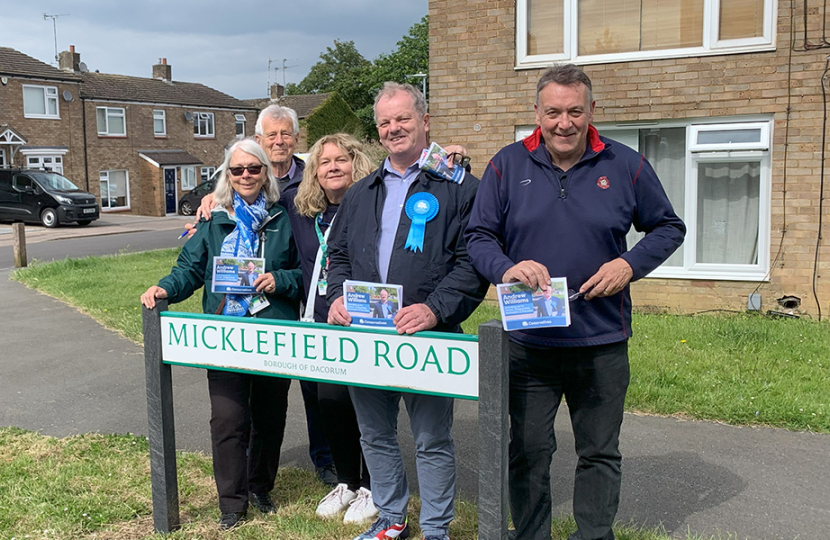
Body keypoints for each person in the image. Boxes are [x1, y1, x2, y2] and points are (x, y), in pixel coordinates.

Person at [465, 64, 686, 540]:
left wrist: (629, 265)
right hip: (528, 343)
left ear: (591, 112)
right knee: (528, 451)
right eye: (553, 112)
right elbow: (478, 236)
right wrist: (507, 268)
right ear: (537, 114)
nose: (564, 123)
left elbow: (668, 227)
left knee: (600, 452)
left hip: (601, 340)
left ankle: (593, 535)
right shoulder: (507, 165)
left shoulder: (626, 165)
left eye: (574, 112)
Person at [326, 82, 489, 540]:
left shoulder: (460, 188)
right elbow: (338, 254)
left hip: (426, 337)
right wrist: (338, 296)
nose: (394, 129)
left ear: (425, 121)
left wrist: (434, 311)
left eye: (403, 119)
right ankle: (390, 518)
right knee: (374, 435)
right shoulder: (361, 192)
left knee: (431, 440)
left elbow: (472, 263)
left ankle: (436, 529)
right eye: (384, 122)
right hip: (366, 335)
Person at [141, 138, 302, 530]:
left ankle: (261, 486)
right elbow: (190, 268)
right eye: (237, 169)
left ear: (266, 172)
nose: (246, 175)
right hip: (225, 332)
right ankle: (232, 503)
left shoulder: (286, 218)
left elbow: (307, 274)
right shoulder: (213, 220)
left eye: (254, 168)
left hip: (272, 333)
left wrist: (278, 279)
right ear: (227, 175)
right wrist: (164, 288)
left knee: (270, 415)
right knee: (227, 419)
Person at [193, 104, 338, 487]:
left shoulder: (312, 178)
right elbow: (192, 263)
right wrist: (212, 199)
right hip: (233, 321)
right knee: (233, 413)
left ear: (295, 138)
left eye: (285, 133)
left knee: (309, 393)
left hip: (293, 312)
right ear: (259, 140)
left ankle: (324, 464)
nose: (279, 141)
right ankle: (237, 484)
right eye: (271, 135)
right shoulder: (227, 200)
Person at [287, 133, 380, 524]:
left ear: (356, 162)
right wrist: (210, 200)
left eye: (340, 160)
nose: (332, 168)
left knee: (370, 409)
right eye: (323, 163)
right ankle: (347, 482)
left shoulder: (373, 207)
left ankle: (376, 487)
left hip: (364, 323)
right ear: (314, 172)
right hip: (321, 325)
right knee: (331, 404)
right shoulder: (303, 211)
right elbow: (252, 195)